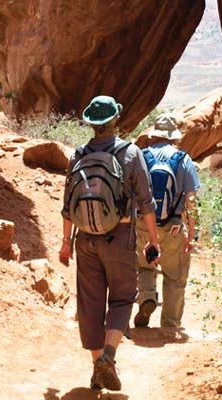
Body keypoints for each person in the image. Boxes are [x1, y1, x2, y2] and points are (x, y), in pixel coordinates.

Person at [59, 95, 159, 391]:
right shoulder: (130, 153)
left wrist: (65, 242)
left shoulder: (78, 155)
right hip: (120, 238)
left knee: (90, 304)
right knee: (121, 297)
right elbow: (147, 202)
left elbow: (67, 205)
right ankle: (109, 356)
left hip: (85, 240)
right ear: (116, 120)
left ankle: (96, 368)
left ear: (91, 123)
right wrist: (153, 239)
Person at [134, 113, 201, 328]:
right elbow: (191, 200)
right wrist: (191, 233)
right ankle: (170, 324)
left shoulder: (142, 156)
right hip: (172, 228)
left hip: (143, 224)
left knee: (144, 267)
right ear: (173, 137)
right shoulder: (183, 160)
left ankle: (146, 298)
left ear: (154, 135)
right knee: (175, 277)